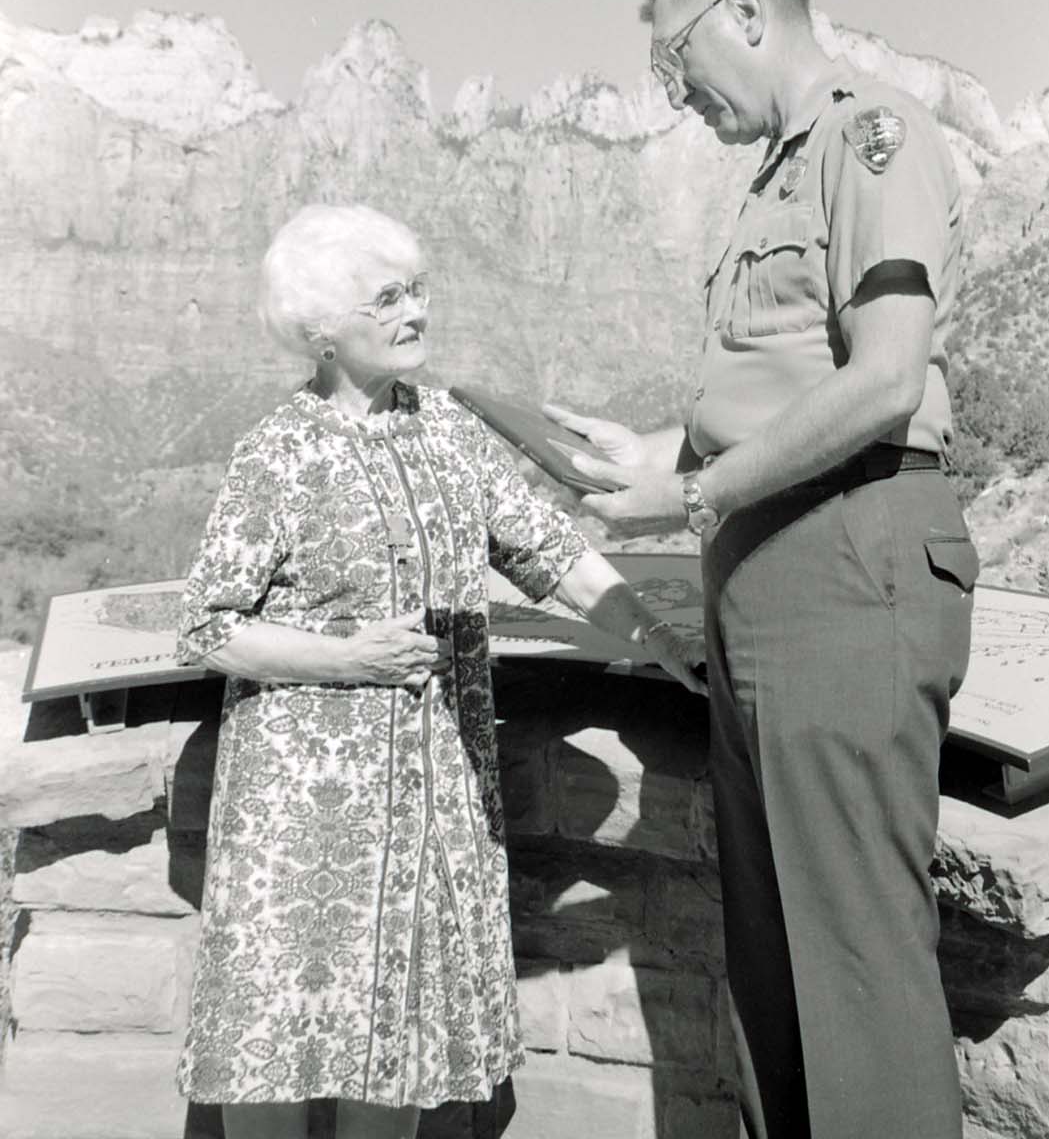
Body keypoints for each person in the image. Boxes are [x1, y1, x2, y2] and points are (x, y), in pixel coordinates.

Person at [545, 0, 977, 1139]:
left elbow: (886, 381)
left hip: (848, 551)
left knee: (851, 966)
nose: (678, 95)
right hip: (767, 566)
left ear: (745, 11)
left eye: (677, 60)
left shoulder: (867, 135)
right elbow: (770, 392)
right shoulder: (771, 178)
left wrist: (690, 497)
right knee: (776, 967)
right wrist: (641, 456)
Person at [175, 202, 705, 1139]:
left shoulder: (449, 429)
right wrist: (346, 660)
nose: (417, 310)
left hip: (431, 805)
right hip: (301, 818)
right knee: (278, 1052)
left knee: (402, 1046)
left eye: (418, 288)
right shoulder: (278, 451)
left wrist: (659, 639)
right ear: (321, 331)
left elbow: (549, 549)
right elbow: (209, 627)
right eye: (388, 297)